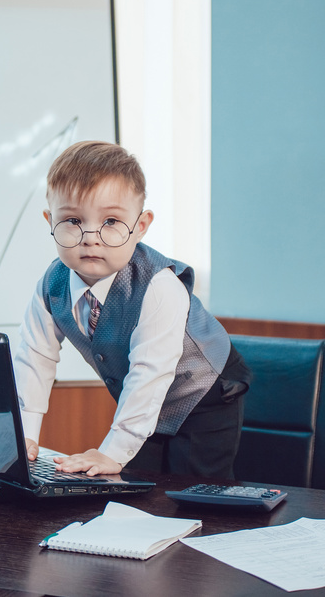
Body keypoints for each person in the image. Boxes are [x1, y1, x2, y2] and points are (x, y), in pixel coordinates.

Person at [13, 141, 251, 478]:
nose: (90, 237)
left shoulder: (159, 287)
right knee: (135, 486)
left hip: (204, 393)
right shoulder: (51, 284)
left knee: (191, 491)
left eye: (110, 221)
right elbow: (34, 357)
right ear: (50, 221)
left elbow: (149, 374)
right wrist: (24, 435)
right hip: (144, 399)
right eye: (73, 220)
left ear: (140, 226)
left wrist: (111, 452)